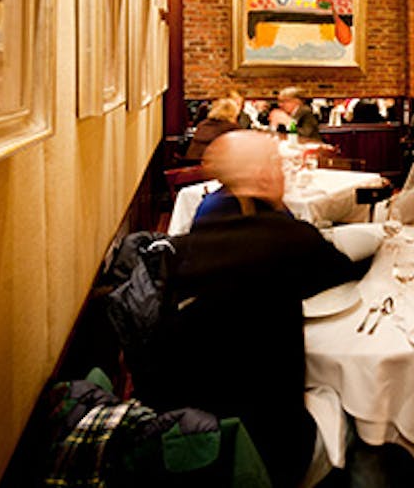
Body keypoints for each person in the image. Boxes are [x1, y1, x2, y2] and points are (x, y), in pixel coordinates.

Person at [149, 131, 367, 488]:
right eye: (278, 165)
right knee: (356, 410)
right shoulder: (284, 237)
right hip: (268, 442)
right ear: (264, 176)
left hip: (194, 433)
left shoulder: (209, 217)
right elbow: (344, 270)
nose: (283, 173)